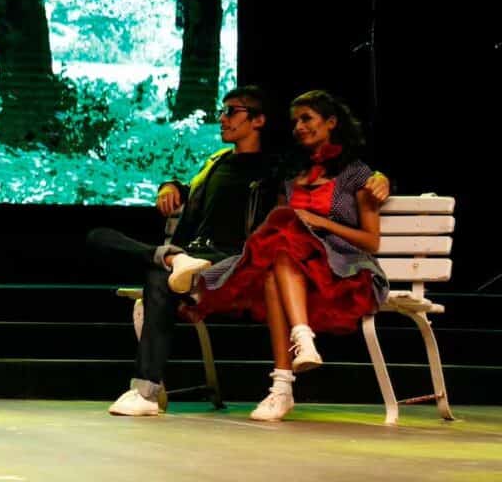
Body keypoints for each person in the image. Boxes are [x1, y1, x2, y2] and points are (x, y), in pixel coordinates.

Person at [85, 86, 388, 416]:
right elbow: (191, 189)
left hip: (241, 260)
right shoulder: (221, 164)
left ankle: (150, 391)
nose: (223, 118)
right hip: (198, 256)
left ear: (258, 121)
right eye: (223, 111)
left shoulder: (276, 168)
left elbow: (349, 192)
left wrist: (383, 180)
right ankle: (146, 387)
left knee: (169, 276)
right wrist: (171, 185)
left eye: (232, 111)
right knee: (104, 238)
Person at [190, 91, 389, 422]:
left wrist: (320, 221)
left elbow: (371, 241)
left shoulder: (357, 173)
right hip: (294, 267)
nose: (299, 127)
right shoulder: (289, 172)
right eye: (295, 121)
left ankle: (286, 375)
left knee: (284, 228)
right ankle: (288, 371)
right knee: (278, 249)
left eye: (307, 118)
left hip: (342, 268)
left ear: (331, 122)